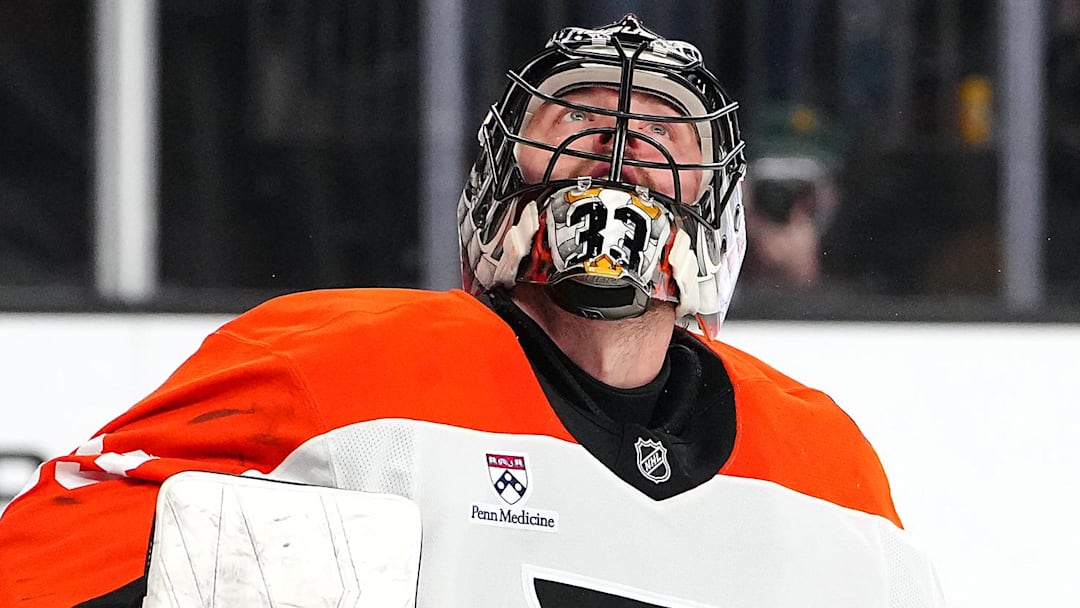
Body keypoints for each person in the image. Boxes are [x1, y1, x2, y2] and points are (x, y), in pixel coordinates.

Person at [0, 15, 943, 607]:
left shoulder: (829, 466)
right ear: (496, 191)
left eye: (661, 139)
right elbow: (38, 565)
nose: (617, 157)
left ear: (720, 220)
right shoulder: (337, 368)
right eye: (571, 124)